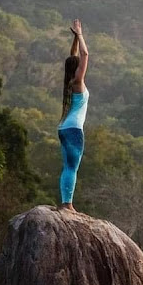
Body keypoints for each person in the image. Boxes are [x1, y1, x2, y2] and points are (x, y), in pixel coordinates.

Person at [57, 19, 89, 211]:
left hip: (63, 128)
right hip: (74, 130)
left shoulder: (69, 81)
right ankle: (67, 204)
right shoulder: (78, 82)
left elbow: (74, 56)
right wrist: (80, 34)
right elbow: (84, 55)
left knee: (67, 166)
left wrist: (75, 39)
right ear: (77, 69)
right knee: (72, 168)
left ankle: (64, 202)